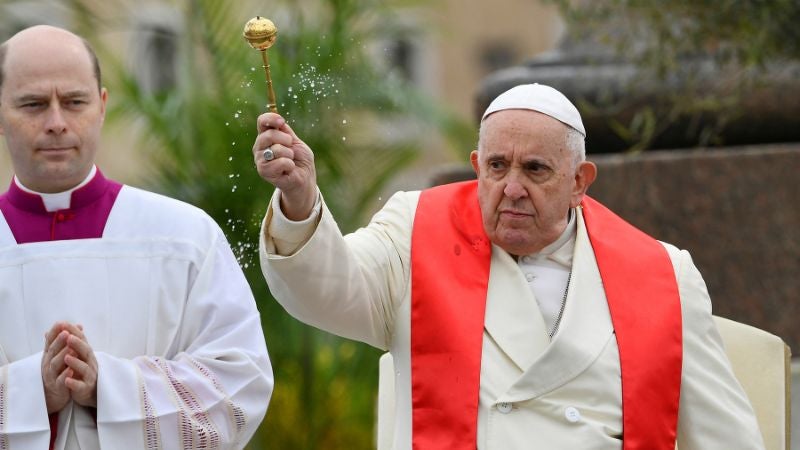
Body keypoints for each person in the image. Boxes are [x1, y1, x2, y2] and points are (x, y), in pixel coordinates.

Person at [253, 83, 764, 449]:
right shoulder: (417, 228)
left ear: (580, 181)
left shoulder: (664, 275)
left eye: (535, 169)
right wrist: (300, 202)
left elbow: (725, 435)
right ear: (477, 167)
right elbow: (330, 291)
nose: (512, 188)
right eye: (497, 167)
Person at [0, 25, 272, 449]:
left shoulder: (185, 236)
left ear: (102, 106)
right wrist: (32, 392)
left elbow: (240, 385)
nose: (56, 123)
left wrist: (108, 388)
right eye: (33, 104)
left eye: (74, 102)